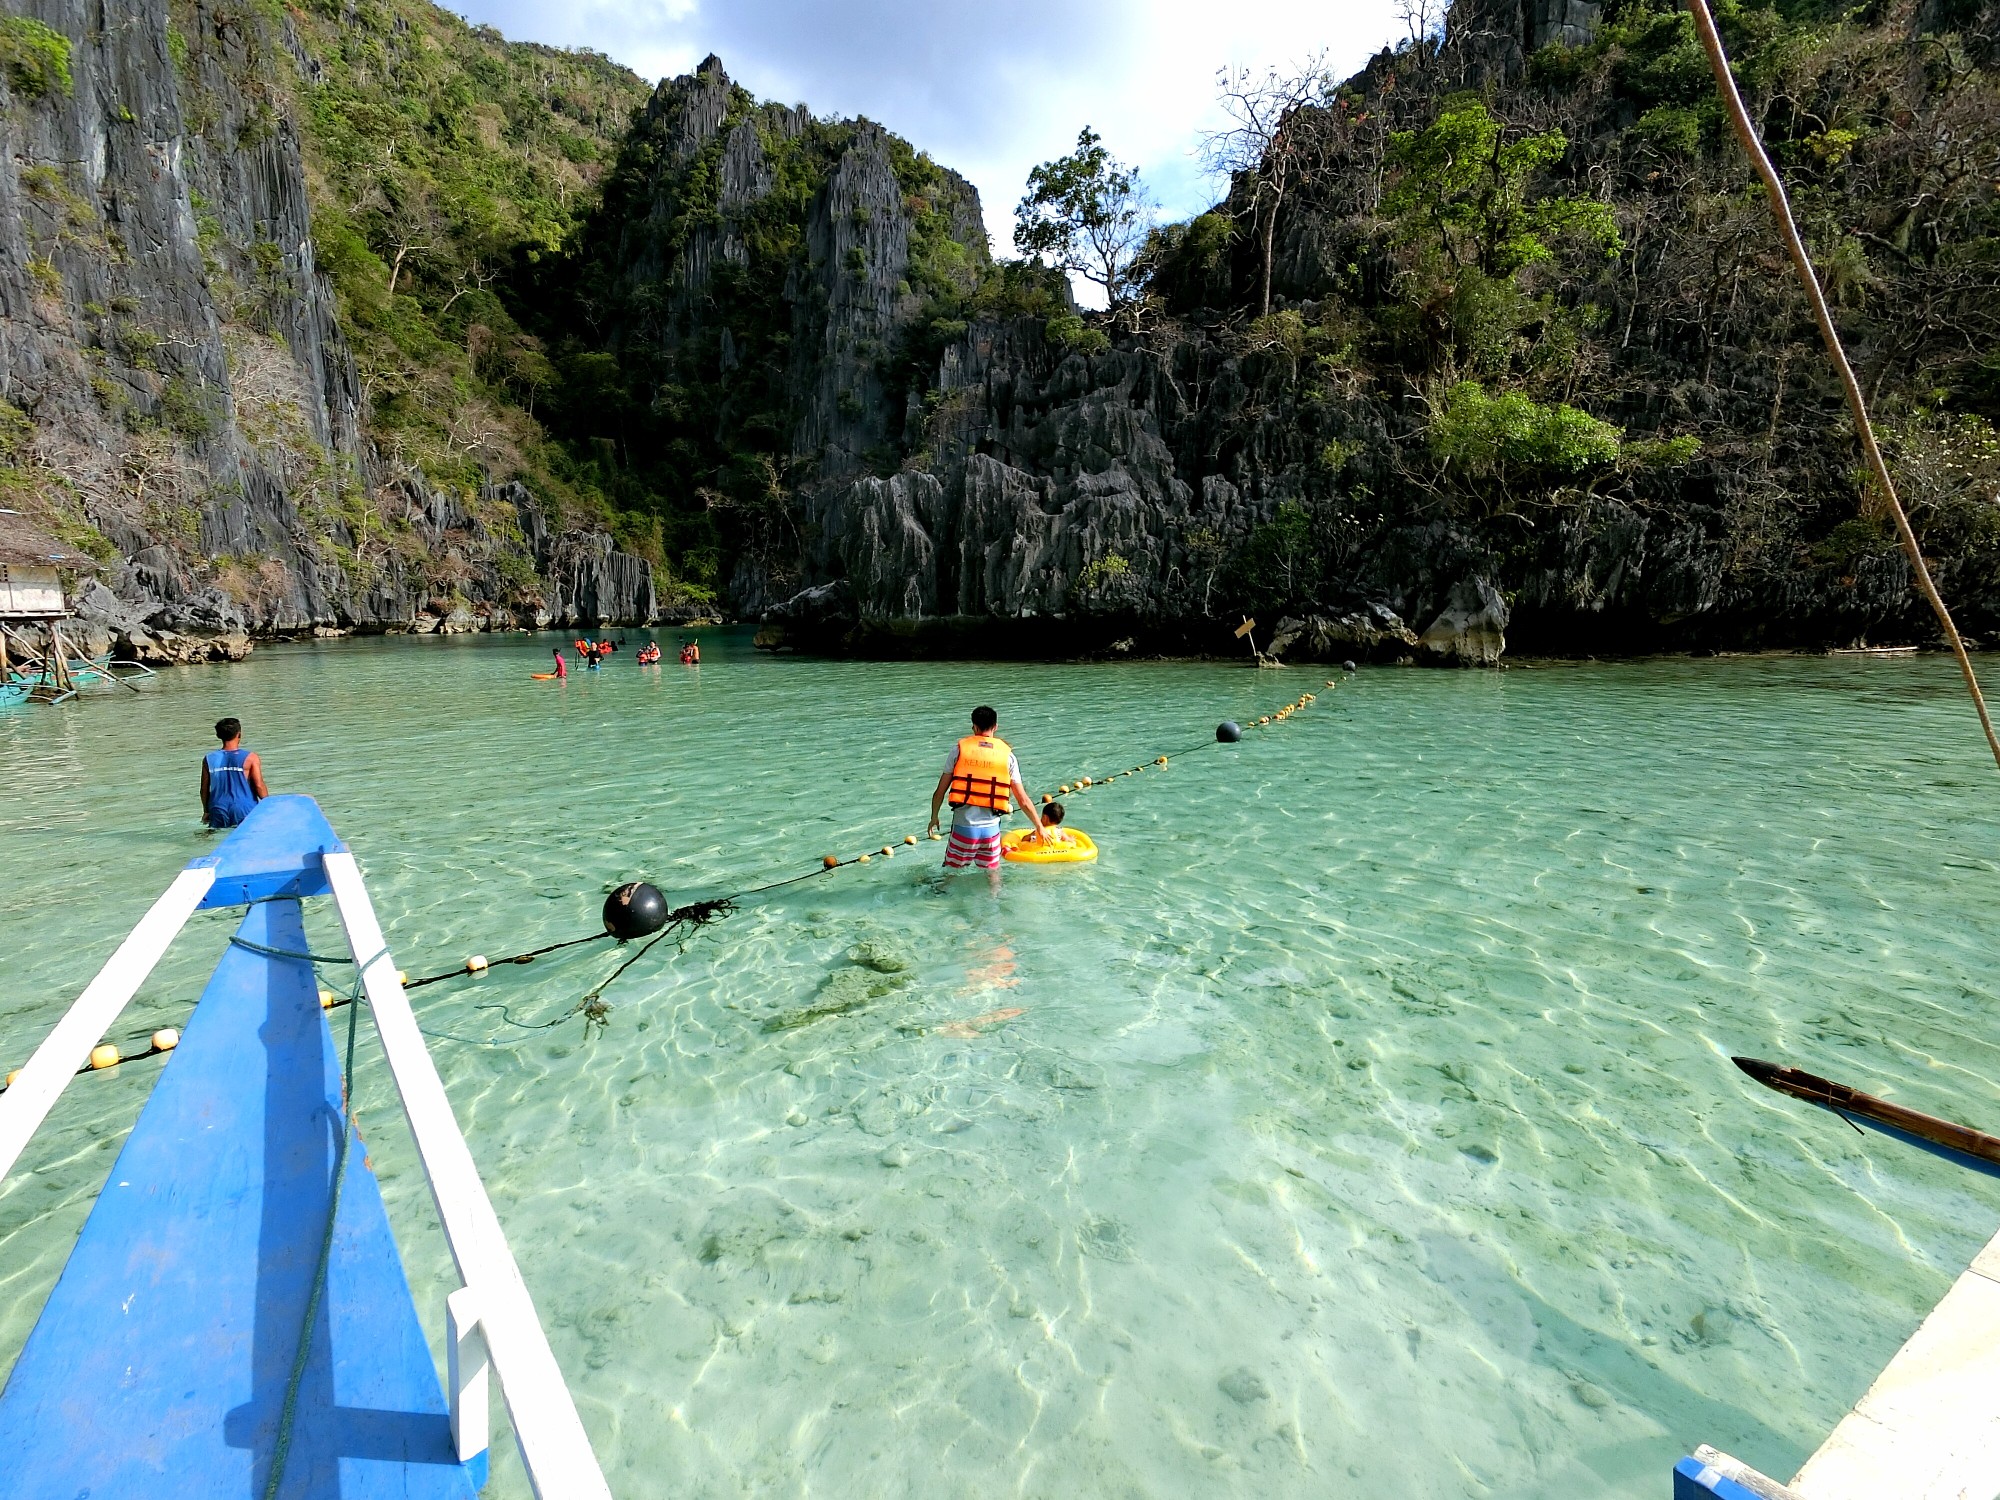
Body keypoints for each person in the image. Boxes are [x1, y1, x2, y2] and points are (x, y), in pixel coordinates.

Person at [928, 706, 1046, 877]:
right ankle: (995, 901)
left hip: (964, 829)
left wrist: (934, 817)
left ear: (974, 727)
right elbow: (1023, 800)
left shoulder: (958, 751)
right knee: (992, 877)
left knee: (949, 875)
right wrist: (1039, 826)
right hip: (991, 832)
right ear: (995, 727)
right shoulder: (1008, 757)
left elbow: (939, 791)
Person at [200, 717, 267, 829]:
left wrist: (206, 811)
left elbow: (204, 789)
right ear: (239, 734)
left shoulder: (208, 759)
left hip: (217, 808)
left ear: (218, 735)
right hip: (244, 808)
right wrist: (268, 805)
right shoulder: (251, 758)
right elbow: (259, 786)